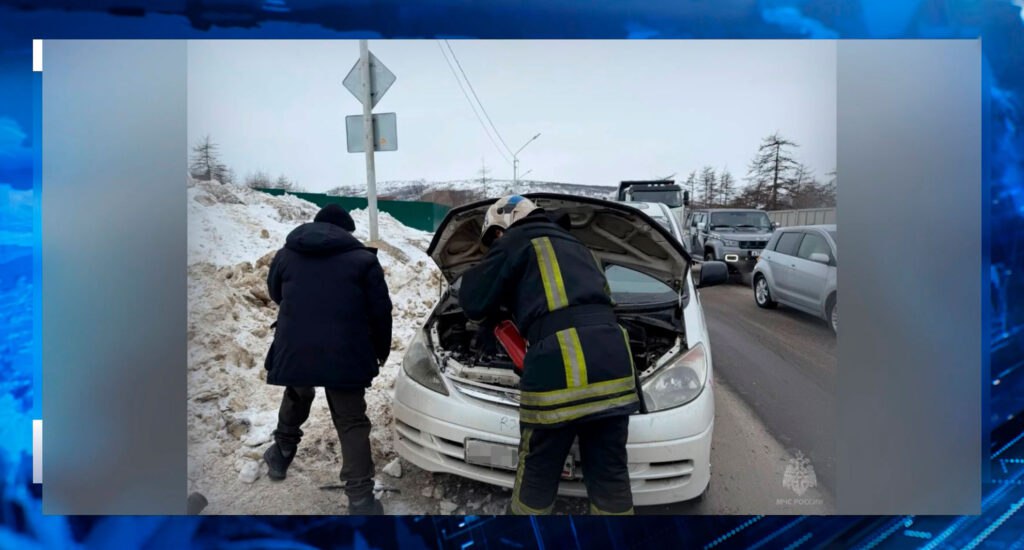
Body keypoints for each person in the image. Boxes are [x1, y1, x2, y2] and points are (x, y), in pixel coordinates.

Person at [459, 195, 639, 515]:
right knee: (610, 474)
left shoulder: (515, 240)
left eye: (495, 236)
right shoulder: (579, 246)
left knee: (539, 472)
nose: (496, 242)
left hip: (561, 369)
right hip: (614, 368)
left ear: (506, 222)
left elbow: (473, 300)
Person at [262, 203, 393, 515]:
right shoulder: (363, 260)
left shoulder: (286, 254)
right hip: (346, 352)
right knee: (351, 421)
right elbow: (380, 312)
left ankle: (281, 453)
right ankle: (360, 499)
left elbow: (275, 293)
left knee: (298, 390)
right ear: (347, 231)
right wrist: (380, 351)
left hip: (296, 346)